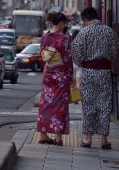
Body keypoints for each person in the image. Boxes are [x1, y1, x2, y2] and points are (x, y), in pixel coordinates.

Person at [71, 7, 119, 149]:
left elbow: (76, 53)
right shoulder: (109, 31)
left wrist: (81, 64)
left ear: (85, 19)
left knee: (88, 104)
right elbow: (115, 50)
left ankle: (88, 138)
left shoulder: (83, 33)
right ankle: (104, 139)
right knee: (104, 104)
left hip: (88, 72)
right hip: (104, 72)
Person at [36, 11, 73, 146]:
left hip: (48, 74)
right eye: (65, 24)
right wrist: (70, 76)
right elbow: (68, 59)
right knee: (60, 106)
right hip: (61, 75)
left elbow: (42, 58)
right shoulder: (64, 38)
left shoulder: (45, 37)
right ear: (62, 23)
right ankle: (58, 137)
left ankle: (43, 134)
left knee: (45, 104)